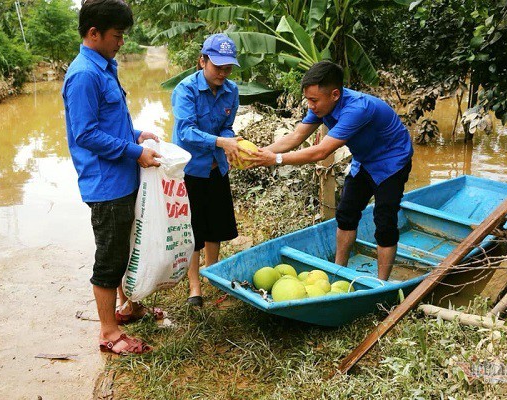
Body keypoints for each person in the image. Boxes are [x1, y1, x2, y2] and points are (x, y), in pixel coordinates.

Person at [250, 61, 413, 281]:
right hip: (364, 161)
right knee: (346, 215)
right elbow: (296, 137)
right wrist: (257, 155)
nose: (310, 105)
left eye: (314, 100)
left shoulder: (357, 109)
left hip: (392, 162)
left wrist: (275, 159)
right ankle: (339, 271)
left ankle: (381, 283)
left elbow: (321, 151)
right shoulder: (322, 106)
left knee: (384, 222)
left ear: (335, 94)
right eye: (308, 99)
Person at [62, 0, 162, 355]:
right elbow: (85, 134)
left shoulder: (104, 66)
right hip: (106, 184)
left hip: (122, 176)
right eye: (117, 36)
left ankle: (129, 307)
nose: (122, 42)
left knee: (126, 247)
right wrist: (135, 153)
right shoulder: (84, 75)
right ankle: (109, 333)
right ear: (94, 34)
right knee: (111, 256)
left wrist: (134, 135)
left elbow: (108, 122)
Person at [171, 33, 243, 307]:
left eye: (228, 68)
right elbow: (186, 132)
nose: (223, 73)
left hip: (216, 169)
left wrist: (231, 142)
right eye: (218, 67)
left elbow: (226, 125)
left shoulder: (231, 90)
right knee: (194, 230)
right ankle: (194, 286)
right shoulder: (185, 90)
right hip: (191, 171)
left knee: (216, 225)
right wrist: (221, 141)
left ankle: (212, 273)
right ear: (202, 61)